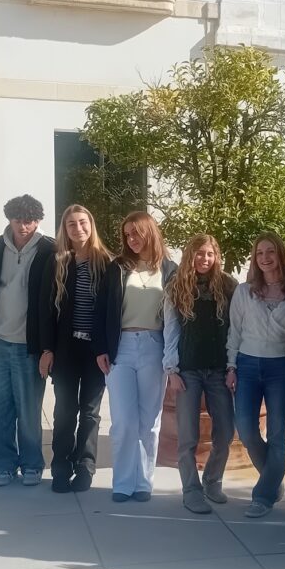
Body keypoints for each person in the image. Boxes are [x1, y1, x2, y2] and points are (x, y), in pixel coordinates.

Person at [0, 194, 55, 487]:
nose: (23, 226)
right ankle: (3, 465)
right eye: (18, 219)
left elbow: (56, 302)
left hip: (30, 346)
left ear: (38, 221)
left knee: (29, 411)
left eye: (29, 220)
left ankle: (32, 464)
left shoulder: (51, 252)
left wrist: (48, 347)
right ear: (9, 219)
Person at [94, 212, 177, 502]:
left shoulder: (169, 269)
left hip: (154, 346)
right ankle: (122, 483)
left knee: (149, 421)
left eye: (136, 233)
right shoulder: (117, 267)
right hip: (121, 347)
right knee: (124, 420)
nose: (131, 239)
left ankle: (143, 482)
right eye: (127, 235)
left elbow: (178, 316)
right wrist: (101, 349)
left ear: (149, 232)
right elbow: (101, 309)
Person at [228, 233, 285, 518]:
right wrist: (231, 366)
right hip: (246, 365)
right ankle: (272, 477)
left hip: (280, 366)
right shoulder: (244, 291)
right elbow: (234, 331)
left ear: (280, 254)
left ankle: (264, 496)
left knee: (277, 432)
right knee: (246, 429)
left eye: (270, 252)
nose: (265, 258)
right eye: (259, 253)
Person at [39, 204, 112, 493]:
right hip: (66, 349)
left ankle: (85, 467)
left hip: (96, 351)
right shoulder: (57, 261)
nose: (78, 228)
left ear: (91, 225)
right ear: (65, 229)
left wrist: (109, 349)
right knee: (65, 411)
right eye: (72, 224)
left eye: (83, 222)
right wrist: (47, 349)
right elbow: (46, 309)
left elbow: (113, 311)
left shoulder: (106, 262)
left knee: (91, 412)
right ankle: (60, 467)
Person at [163, 235, 238, 514]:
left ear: (216, 256)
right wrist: (171, 369)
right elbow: (171, 329)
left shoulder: (228, 286)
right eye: (199, 253)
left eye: (209, 254)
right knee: (187, 437)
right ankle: (191, 490)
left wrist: (232, 367)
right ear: (190, 255)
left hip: (219, 370)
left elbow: (236, 329)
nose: (204, 259)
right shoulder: (176, 286)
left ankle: (212, 480)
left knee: (225, 432)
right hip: (187, 371)